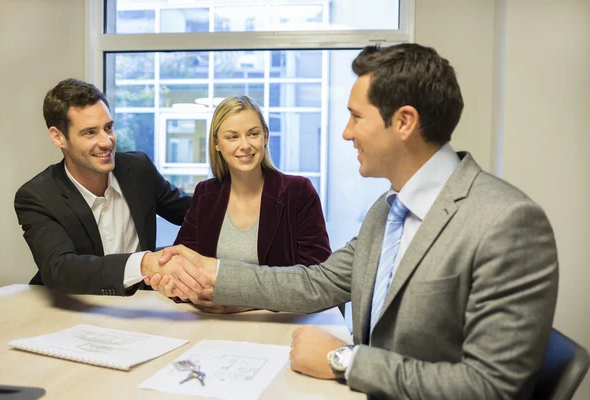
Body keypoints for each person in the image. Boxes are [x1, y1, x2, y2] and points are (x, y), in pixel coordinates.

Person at [149, 43, 559, 399]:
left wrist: (343, 359)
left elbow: (491, 388)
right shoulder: (388, 210)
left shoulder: (507, 222)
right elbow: (318, 281)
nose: (346, 133)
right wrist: (212, 272)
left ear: (404, 122)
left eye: (356, 117)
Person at [14, 78, 197, 296]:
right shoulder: (37, 196)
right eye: (90, 132)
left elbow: (196, 215)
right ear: (58, 137)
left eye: (108, 127)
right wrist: (144, 263)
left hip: (139, 306)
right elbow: (60, 269)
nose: (107, 142)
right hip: (71, 311)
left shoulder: (139, 170)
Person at [169, 95, 331, 313]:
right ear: (217, 143)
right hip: (211, 325)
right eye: (232, 137)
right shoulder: (206, 193)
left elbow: (318, 278)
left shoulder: (298, 192)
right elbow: (181, 265)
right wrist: (194, 295)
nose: (245, 145)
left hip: (280, 325)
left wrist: (238, 303)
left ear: (265, 135)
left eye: (253, 134)